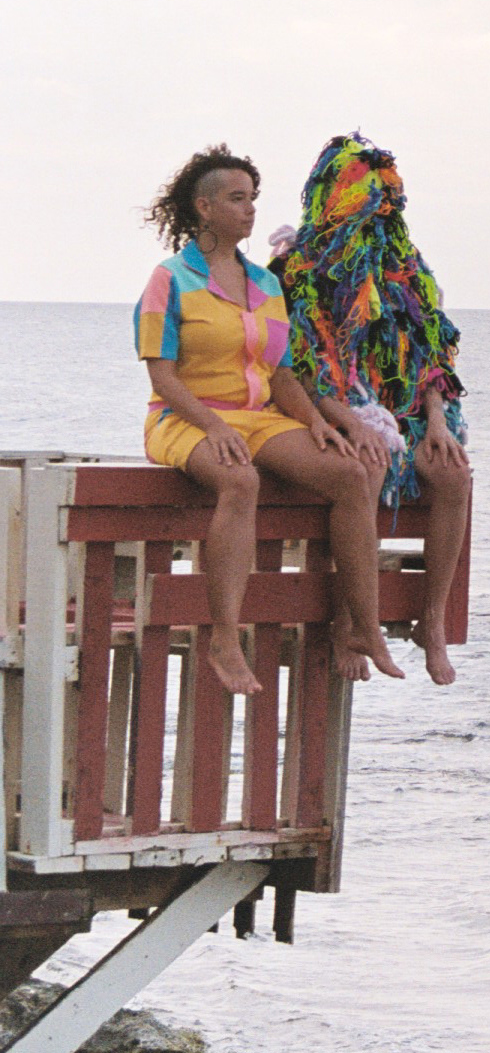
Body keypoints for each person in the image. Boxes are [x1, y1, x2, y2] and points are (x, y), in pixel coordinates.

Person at [135, 144, 404, 696]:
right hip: (184, 418)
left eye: (252, 198)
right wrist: (213, 427)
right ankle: (224, 638)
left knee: (351, 473)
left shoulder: (266, 283)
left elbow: (280, 374)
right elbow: (162, 375)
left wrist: (314, 422)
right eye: (237, 199)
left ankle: (364, 626)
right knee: (240, 481)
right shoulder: (170, 279)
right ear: (204, 207)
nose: (250, 209)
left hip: (257, 418)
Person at [273, 134, 471, 686]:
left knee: (452, 473)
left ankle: (432, 621)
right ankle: (350, 623)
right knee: (369, 464)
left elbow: (431, 355)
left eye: (384, 193)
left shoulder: (405, 267)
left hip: (406, 406)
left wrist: (437, 422)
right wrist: (349, 419)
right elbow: (298, 365)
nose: (377, 204)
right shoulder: (296, 269)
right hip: (330, 402)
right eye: (363, 190)